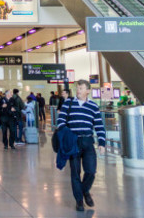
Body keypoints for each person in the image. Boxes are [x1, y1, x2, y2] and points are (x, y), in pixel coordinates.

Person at [56, 80, 106, 211]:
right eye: (77, 88)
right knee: (75, 173)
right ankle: (79, 200)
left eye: (81, 88)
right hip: (74, 142)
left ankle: (85, 190)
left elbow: (99, 125)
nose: (78, 90)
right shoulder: (69, 103)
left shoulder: (93, 106)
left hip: (88, 141)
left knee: (91, 171)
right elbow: (60, 120)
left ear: (87, 91)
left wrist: (102, 142)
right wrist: (66, 132)